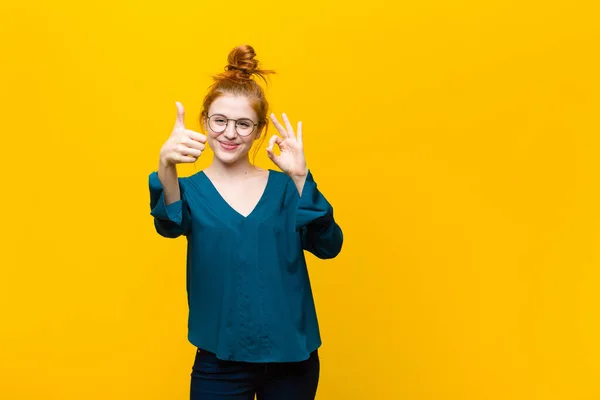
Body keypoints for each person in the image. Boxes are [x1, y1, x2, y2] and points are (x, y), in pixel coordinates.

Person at [148, 44, 343, 400]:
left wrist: (301, 178)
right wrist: (166, 165)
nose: (229, 133)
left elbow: (329, 245)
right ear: (205, 120)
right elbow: (169, 225)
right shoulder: (188, 190)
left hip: (292, 359)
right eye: (219, 120)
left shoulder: (286, 188)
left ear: (258, 131)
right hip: (220, 360)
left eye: (243, 124)